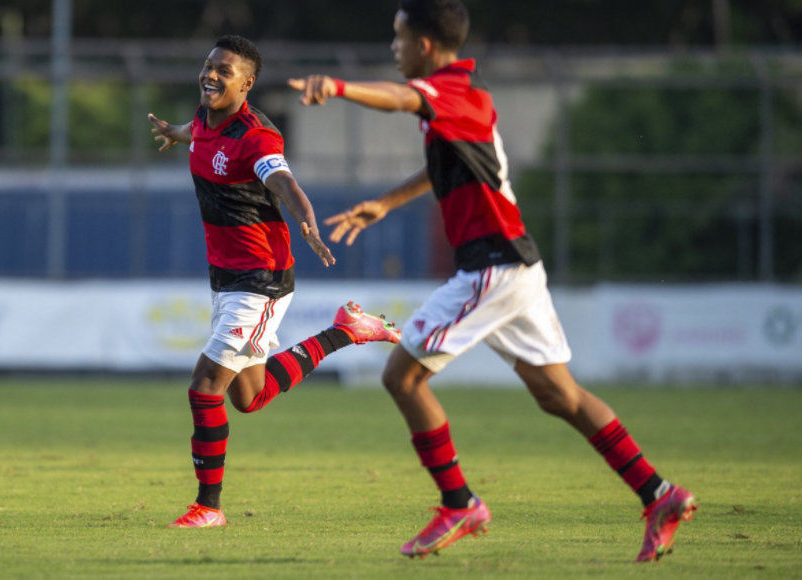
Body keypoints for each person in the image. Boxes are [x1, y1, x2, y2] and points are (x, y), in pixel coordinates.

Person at [288, 0, 695, 562]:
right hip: (515, 267)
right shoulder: (463, 99)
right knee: (560, 395)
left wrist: (338, 86)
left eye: (398, 37)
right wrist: (385, 202)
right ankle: (659, 494)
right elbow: (444, 168)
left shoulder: (446, 94)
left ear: (425, 45)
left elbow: (402, 99)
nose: (394, 47)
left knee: (402, 378)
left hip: (492, 268)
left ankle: (459, 504)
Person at [149, 35, 402, 529]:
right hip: (227, 278)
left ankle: (208, 507)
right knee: (249, 397)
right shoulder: (204, 117)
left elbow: (284, 182)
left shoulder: (256, 136)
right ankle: (347, 331)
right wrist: (174, 133)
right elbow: (197, 134)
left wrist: (306, 218)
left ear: (248, 83)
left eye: (225, 71)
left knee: (204, 388)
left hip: (259, 277)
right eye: (208, 66)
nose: (211, 75)